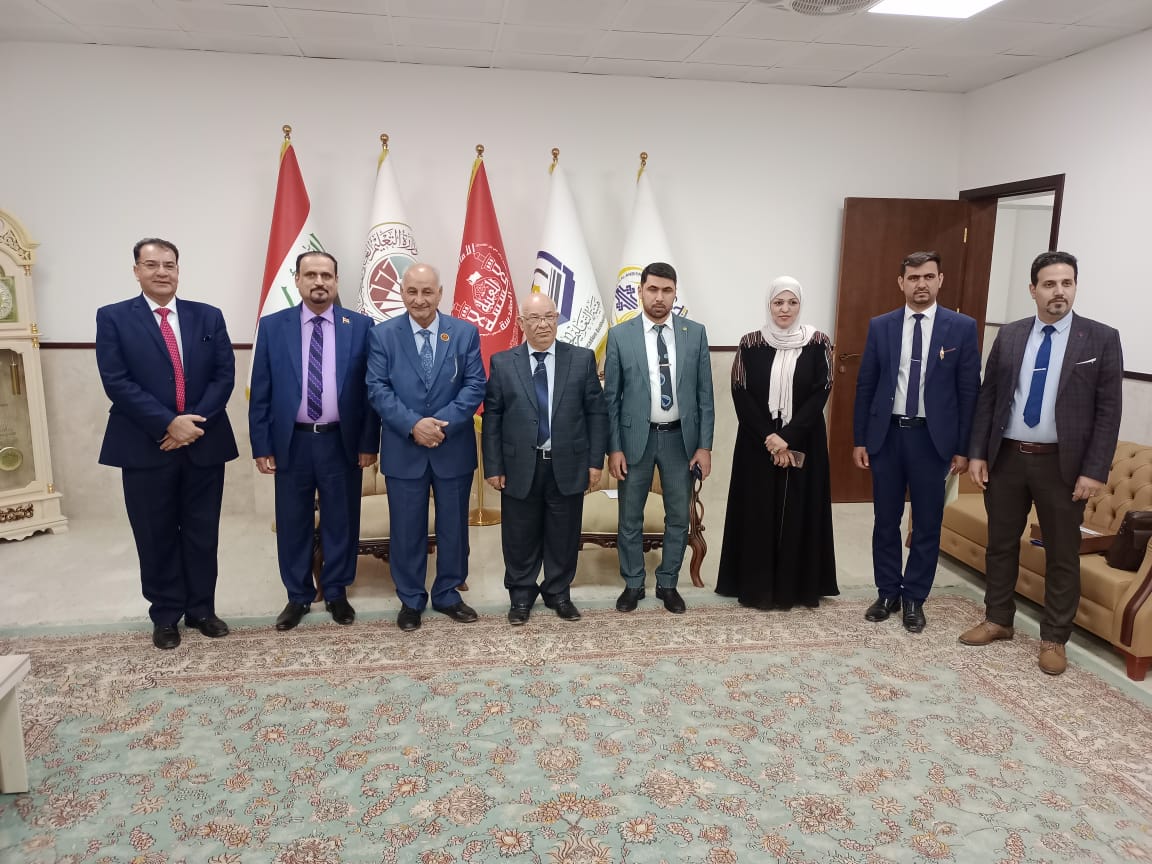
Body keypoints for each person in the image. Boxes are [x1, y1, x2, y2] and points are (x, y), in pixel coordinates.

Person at [959, 251, 1123, 676]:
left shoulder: (1101, 339)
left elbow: (1109, 412)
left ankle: (1054, 638)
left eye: (1066, 283)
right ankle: (998, 619)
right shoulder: (1011, 335)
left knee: (1062, 554)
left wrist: (1094, 470)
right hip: (1008, 458)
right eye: (1049, 284)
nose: (1059, 292)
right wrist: (978, 452)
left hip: (1062, 466)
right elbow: (989, 397)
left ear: (1075, 287)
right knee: (1000, 543)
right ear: (1033, 290)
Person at [96, 238, 238, 650]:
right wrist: (168, 424)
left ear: (178, 270)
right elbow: (116, 381)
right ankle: (165, 614)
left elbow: (224, 376)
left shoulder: (207, 316)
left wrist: (191, 424)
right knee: (155, 534)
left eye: (169, 265)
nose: (162, 272)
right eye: (152, 264)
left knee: (201, 532)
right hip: (145, 445)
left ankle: (202, 610)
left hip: (203, 441)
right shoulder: (114, 318)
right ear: (136, 270)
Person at [248, 251, 381, 632]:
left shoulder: (360, 326)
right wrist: (262, 445)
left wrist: (368, 443)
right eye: (311, 275)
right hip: (293, 442)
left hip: (341, 441)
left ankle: (336, 591)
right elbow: (261, 391)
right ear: (297, 279)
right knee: (293, 521)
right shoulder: (273, 327)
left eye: (326, 275)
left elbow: (369, 393)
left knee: (342, 519)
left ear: (336, 281)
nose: (319, 282)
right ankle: (298, 595)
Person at [853, 251, 980, 633]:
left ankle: (914, 598)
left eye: (927, 277)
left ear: (940, 280)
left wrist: (963, 447)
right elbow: (866, 384)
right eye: (913, 278)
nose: (920, 284)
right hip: (888, 436)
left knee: (927, 523)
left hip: (932, 440)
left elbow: (969, 391)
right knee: (885, 520)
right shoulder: (881, 326)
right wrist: (860, 438)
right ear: (901, 283)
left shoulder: (962, 327)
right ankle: (887, 593)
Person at [366, 262, 486, 631]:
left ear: (440, 293)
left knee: (454, 527)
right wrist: (413, 426)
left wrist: (439, 426)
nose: (420, 299)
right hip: (405, 448)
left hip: (452, 447)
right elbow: (377, 389)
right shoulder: (382, 335)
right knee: (406, 529)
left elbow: (475, 386)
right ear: (402, 293)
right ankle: (411, 598)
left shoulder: (464, 333)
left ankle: (448, 593)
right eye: (412, 291)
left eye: (427, 291)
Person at [482, 292, 607, 625]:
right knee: (519, 535)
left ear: (557, 320)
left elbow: (596, 413)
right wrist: (493, 466)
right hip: (519, 465)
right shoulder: (503, 363)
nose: (543, 325)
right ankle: (521, 595)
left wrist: (595, 462)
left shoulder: (580, 359)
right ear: (521, 323)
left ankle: (558, 592)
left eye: (549, 317)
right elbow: (492, 417)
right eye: (535, 318)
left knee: (564, 534)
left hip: (568, 462)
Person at [716, 277, 838, 608]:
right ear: (769, 305)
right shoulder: (750, 343)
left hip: (804, 437)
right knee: (758, 510)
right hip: (757, 441)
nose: (785, 309)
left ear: (800, 305)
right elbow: (740, 392)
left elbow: (821, 391)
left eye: (792, 302)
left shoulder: (817, 342)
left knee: (799, 510)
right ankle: (756, 587)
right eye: (778, 302)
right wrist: (770, 438)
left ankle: (795, 588)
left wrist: (788, 437)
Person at [604, 262, 715, 614]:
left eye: (667, 291)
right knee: (630, 517)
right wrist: (614, 448)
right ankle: (633, 583)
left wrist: (704, 446)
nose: (659, 297)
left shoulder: (694, 334)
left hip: (680, 440)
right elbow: (611, 399)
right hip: (634, 440)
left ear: (675, 293)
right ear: (640, 291)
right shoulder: (620, 336)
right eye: (652, 289)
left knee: (678, 516)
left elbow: (705, 396)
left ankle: (668, 583)